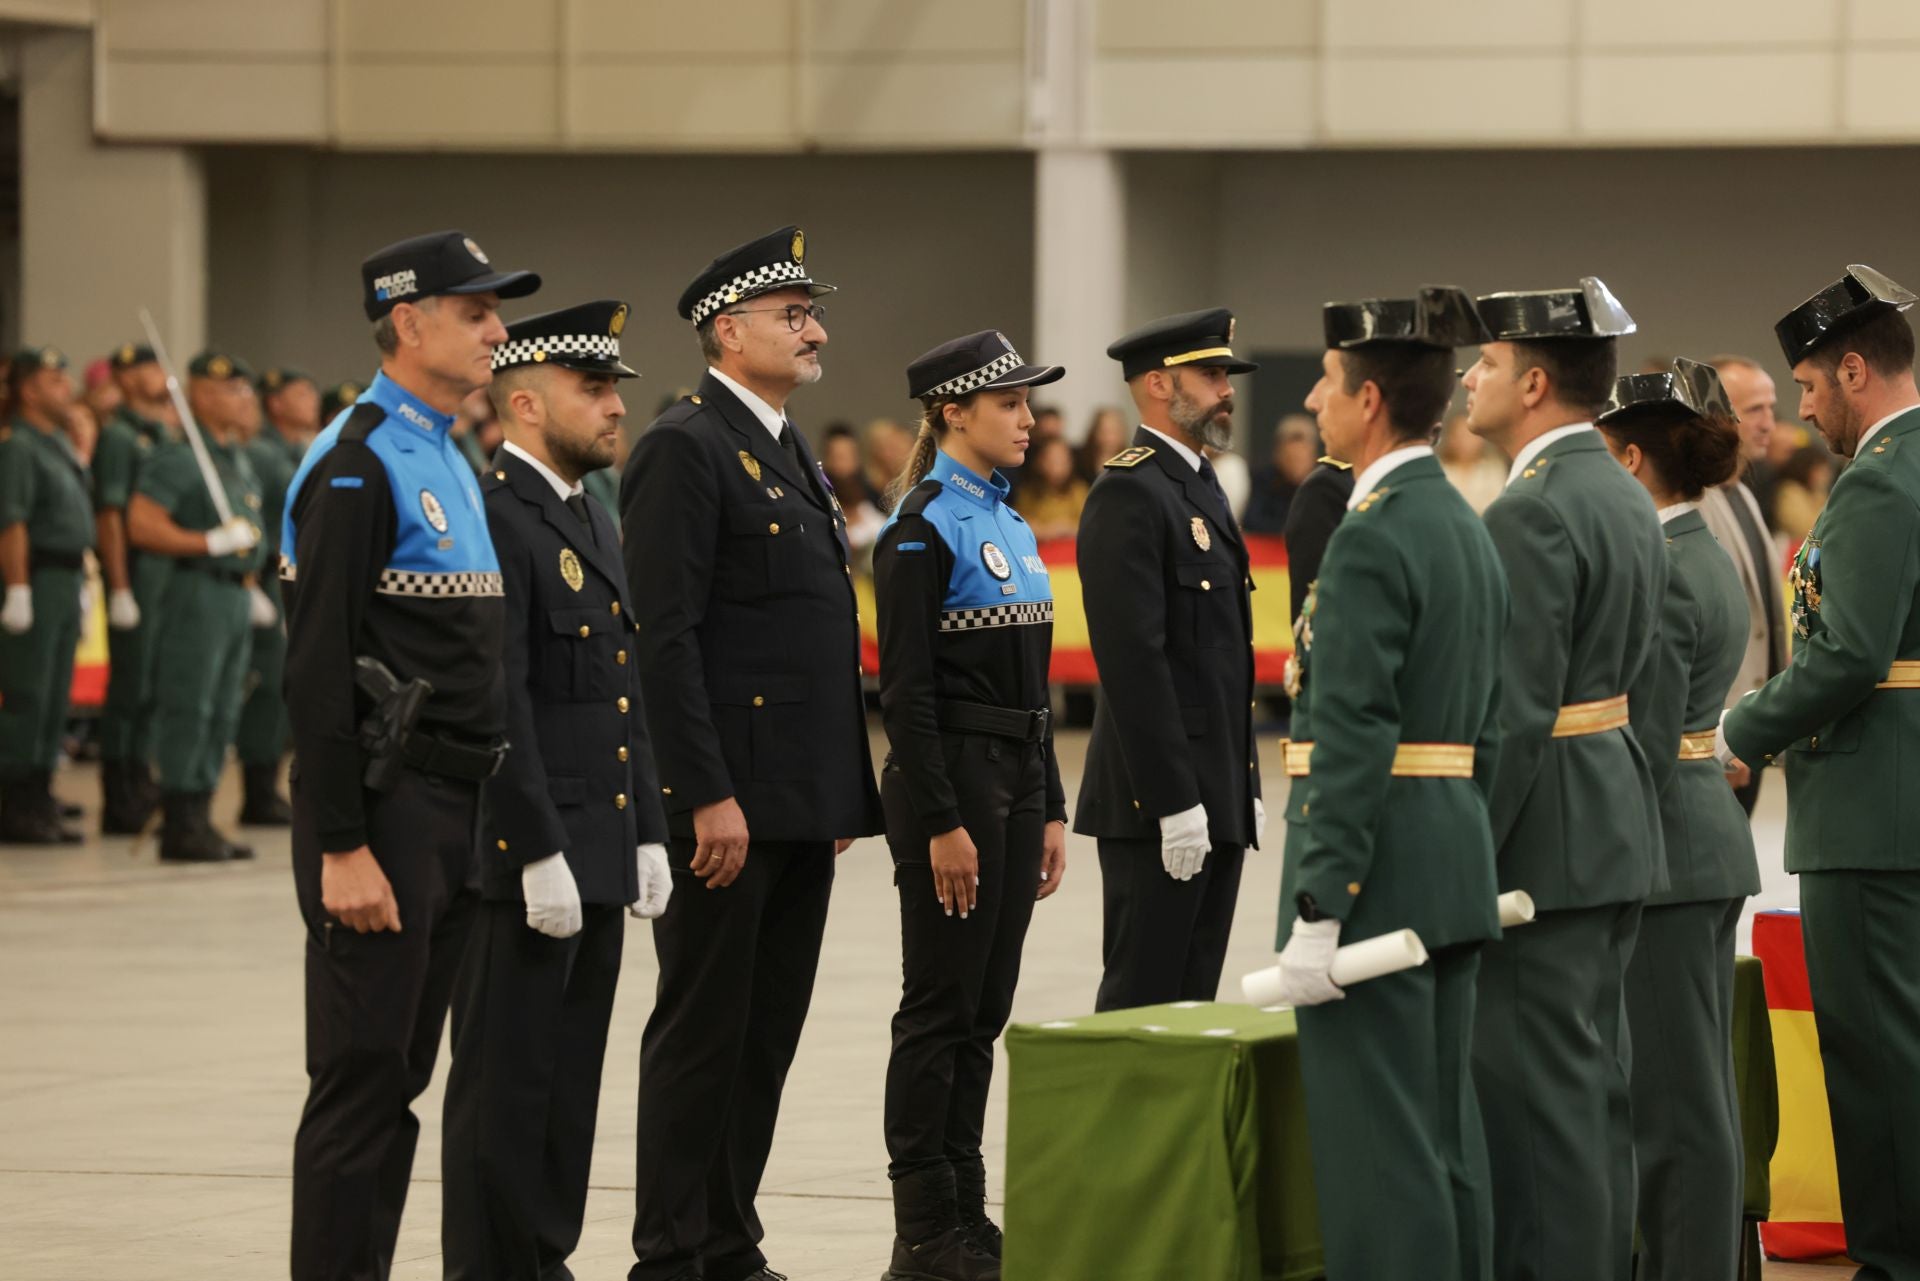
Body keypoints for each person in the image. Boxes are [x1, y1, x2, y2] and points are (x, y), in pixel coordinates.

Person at [620, 225, 882, 1281]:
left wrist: (833, 799)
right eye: (791, 314)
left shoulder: (785, 445)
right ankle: (671, 1254)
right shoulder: (684, 445)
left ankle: (729, 1241)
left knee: (765, 1034)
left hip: (794, 799)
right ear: (728, 332)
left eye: (811, 312)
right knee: (702, 1034)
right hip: (727, 804)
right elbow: (665, 637)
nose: (814, 329)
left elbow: (810, 637)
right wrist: (699, 794)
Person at [280, 230, 537, 1281]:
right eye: (476, 312)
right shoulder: (356, 460)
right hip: (384, 816)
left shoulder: (448, 453)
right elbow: (316, 672)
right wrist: (341, 844)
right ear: (409, 321)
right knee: (362, 1085)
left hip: (456, 814)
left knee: (406, 1082)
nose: (498, 330)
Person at [1272, 287, 1505, 1281]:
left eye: (1327, 383)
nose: (1316, 401)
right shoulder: (1460, 520)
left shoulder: (1370, 534)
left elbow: (1353, 733)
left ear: (1368, 402)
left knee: (1380, 1157)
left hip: (1378, 878)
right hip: (1450, 855)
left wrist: (1321, 905)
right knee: (1448, 1146)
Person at [442, 299, 673, 1280]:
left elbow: (623, 691)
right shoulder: (501, 515)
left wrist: (649, 828)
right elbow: (502, 701)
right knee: (507, 1085)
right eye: (595, 388)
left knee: (568, 1084)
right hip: (530, 860)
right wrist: (532, 844)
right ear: (525, 404)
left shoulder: (589, 514)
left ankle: (543, 1256)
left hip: (600, 848)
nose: (615, 405)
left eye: (615, 386)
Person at [1463, 277, 1670, 1281]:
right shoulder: (1623, 492)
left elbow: (1511, 714)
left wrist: (1467, 856)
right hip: (1610, 816)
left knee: (1538, 1109)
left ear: (1535, 381)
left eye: (1490, 363)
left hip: (1544, 839)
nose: (1471, 377)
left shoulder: (1530, 513)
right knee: (1592, 1093)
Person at [1719, 264, 1920, 1281]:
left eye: (1807, 387)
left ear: (1855, 369)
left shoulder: (1885, 477)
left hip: (1874, 817)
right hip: (1898, 805)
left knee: (1880, 1066)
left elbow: (1845, 654)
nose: (1802, 411)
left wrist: (1741, 728)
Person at [873, 331, 1070, 1281]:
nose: (1029, 419)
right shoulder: (922, 527)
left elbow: (1035, 682)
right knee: (939, 1006)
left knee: (985, 1006)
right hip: (951, 781)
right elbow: (905, 696)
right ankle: (923, 1227)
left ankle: (965, 1208)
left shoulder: (1015, 525)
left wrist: (1055, 803)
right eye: (1012, 404)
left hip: (1018, 779)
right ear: (955, 411)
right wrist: (943, 820)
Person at [1593, 359, 1758, 1281]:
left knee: (1673, 1110)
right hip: (1700, 842)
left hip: (1667, 853)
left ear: (1628, 458)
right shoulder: (1704, 545)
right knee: (1695, 1097)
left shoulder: (1659, 564)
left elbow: (1644, 743)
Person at [1074, 308, 1263, 1011]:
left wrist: (1242, 783)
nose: (1226, 390)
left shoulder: (1201, 483)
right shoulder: (1131, 489)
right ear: (1158, 384)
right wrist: (1172, 802)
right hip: (1158, 801)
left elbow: (1219, 657)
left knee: (1191, 1001)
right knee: (1142, 1000)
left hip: (1213, 789)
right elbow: (1134, 662)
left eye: (1226, 375)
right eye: (1211, 375)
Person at [127, 351, 269, 862]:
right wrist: (205, 542)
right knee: (191, 705)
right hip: (196, 590)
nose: (245, 399)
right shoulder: (179, 457)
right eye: (233, 390)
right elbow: (142, 524)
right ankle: (181, 821)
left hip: (233, 593)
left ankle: (202, 814)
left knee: (224, 706)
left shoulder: (233, 459)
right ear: (202, 395)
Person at [0, 347, 91, 844]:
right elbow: (11, 521)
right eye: (56, 381)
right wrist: (16, 588)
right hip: (35, 577)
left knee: (55, 698)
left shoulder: (54, 444)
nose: (66, 389)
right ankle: (15, 804)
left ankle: (38, 795)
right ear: (29, 390)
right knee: (28, 696)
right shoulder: (18, 446)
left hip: (65, 578)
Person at [91, 342, 173, 833]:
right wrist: (119, 586)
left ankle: (142, 779)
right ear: (123, 378)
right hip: (136, 571)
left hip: (164, 575)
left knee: (151, 689)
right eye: (145, 367)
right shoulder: (120, 437)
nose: (156, 374)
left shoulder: (159, 432)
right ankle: (120, 793)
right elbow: (111, 516)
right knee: (129, 689)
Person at [1702, 355, 1790, 814]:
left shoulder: (1742, 495)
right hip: (1722, 738)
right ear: (1718, 414)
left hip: (1751, 733)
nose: (1768, 423)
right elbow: (1709, 628)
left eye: (1771, 408)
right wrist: (1723, 733)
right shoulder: (1699, 499)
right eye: (1754, 409)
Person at [235, 370, 295, 826]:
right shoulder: (258, 453)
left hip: (282, 577)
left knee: (279, 690)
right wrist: (253, 582)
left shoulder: (282, 450)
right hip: (261, 575)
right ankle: (256, 791)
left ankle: (267, 786)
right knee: (264, 687)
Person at [820, 421, 885, 562]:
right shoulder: (817, 505)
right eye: (837, 457)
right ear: (826, 461)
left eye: (849, 456)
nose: (843, 467)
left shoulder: (875, 500)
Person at [1242, 414, 1317, 535]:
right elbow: (1251, 521)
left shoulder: (1321, 485)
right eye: (1291, 458)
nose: (1297, 466)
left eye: (1302, 458)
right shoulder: (1262, 480)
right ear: (1278, 454)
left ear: (1312, 456)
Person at [1010, 434, 1086, 540]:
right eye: (1051, 459)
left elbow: (1087, 527)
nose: (1057, 465)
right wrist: (1050, 530)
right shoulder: (1028, 493)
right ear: (1039, 462)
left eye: (1062, 460)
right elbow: (1020, 525)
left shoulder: (1078, 491)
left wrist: (1066, 527)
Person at [1435, 411, 1507, 514]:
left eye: (1471, 436)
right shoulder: (1440, 470)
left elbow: (1498, 506)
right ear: (1451, 439)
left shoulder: (1493, 470)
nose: (1466, 441)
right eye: (1461, 436)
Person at [259, 366, 320, 466]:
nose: (314, 401)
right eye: (303, 395)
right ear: (276, 403)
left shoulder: (301, 447)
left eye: (313, 394)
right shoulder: (264, 451)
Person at [1075, 405, 1130, 484]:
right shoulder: (1081, 461)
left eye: (1114, 431)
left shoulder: (1132, 466)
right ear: (1096, 432)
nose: (1109, 438)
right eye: (1105, 431)